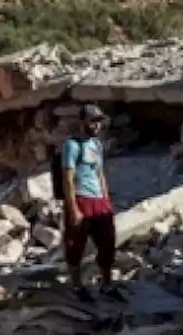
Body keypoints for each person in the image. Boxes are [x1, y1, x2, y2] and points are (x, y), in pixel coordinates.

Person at [62, 104, 116, 294]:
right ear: (82, 121)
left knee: (108, 242)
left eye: (99, 122)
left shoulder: (96, 145)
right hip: (80, 198)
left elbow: (100, 173)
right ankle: (77, 285)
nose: (96, 126)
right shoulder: (72, 145)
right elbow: (68, 178)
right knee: (75, 244)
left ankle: (106, 283)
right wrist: (74, 208)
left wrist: (106, 199)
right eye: (92, 121)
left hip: (98, 200)